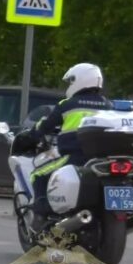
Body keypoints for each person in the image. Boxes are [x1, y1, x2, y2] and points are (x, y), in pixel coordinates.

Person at [17, 63, 113, 230]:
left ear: (79, 81)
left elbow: (45, 125)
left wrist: (32, 135)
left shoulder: (68, 104)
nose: (69, 85)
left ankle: (41, 214)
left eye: (70, 81)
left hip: (76, 157)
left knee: (37, 175)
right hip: (103, 159)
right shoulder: (109, 105)